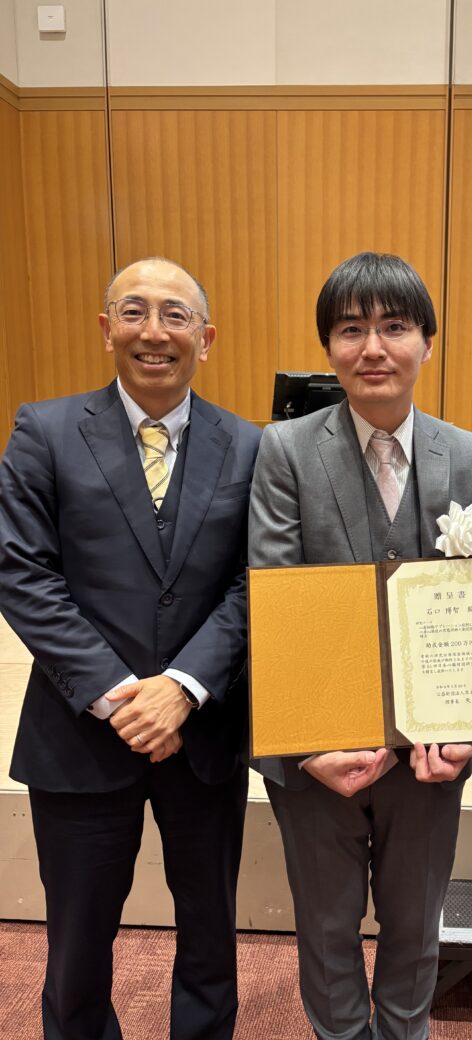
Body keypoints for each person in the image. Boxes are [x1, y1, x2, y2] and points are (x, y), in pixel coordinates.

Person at [0, 258, 261, 1040]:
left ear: (205, 339)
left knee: (211, 937)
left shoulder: (251, 446)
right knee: (77, 948)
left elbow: (255, 583)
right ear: (105, 327)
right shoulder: (43, 431)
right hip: (79, 733)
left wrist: (182, 686)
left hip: (203, 732)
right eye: (134, 311)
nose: (155, 331)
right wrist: (120, 696)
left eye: (176, 315)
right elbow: (22, 574)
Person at [249, 251, 472, 1040]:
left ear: (428, 340)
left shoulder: (470, 455)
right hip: (319, 751)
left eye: (394, 327)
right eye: (351, 330)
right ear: (328, 346)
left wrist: (465, 735)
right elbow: (275, 599)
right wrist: (310, 744)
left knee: (416, 927)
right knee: (326, 932)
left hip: (430, 756)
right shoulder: (284, 449)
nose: (373, 348)